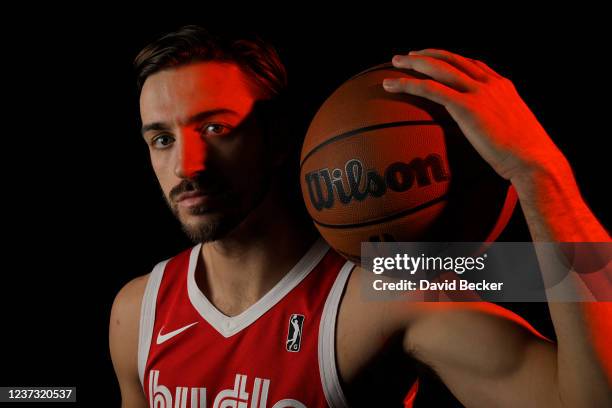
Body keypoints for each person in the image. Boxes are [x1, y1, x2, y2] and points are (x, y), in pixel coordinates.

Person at [109, 25, 611, 407]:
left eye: (216, 128)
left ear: (278, 136)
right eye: (162, 139)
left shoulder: (385, 283)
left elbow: (589, 397)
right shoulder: (137, 312)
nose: (186, 165)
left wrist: (540, 171)